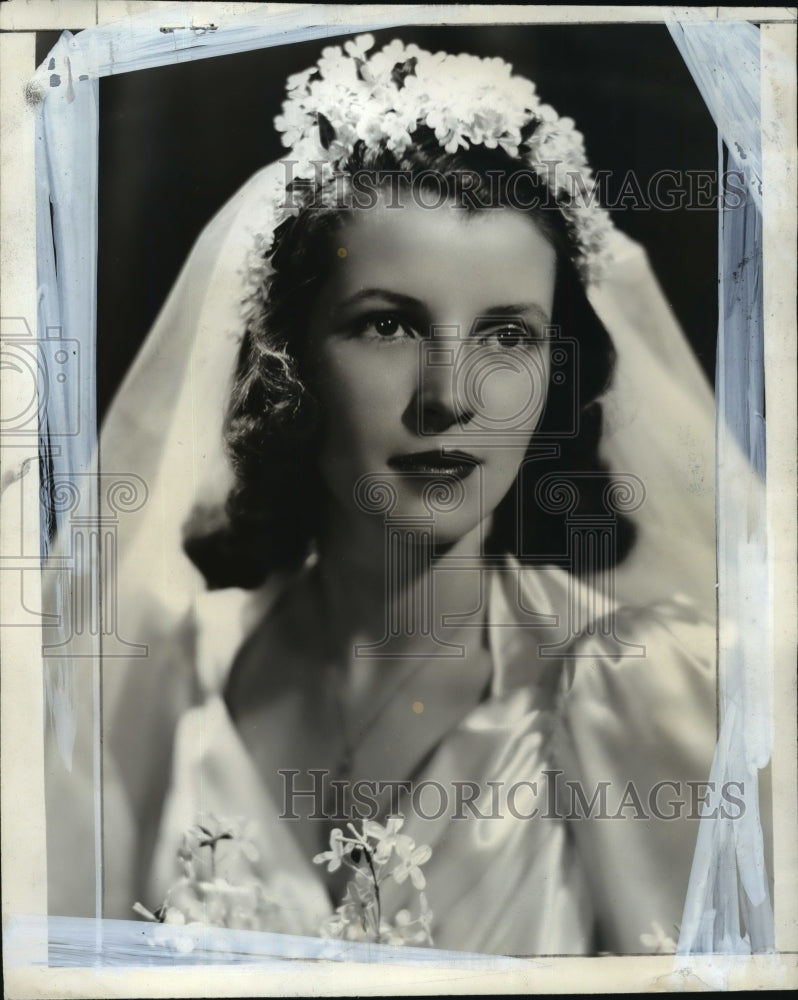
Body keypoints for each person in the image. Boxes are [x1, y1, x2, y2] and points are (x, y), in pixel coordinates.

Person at [45, 35, 720, 956]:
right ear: (287, 358)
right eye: (388, 323)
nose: (450, 395)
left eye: (508, 337)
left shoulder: (633, 689)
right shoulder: (169, 672)